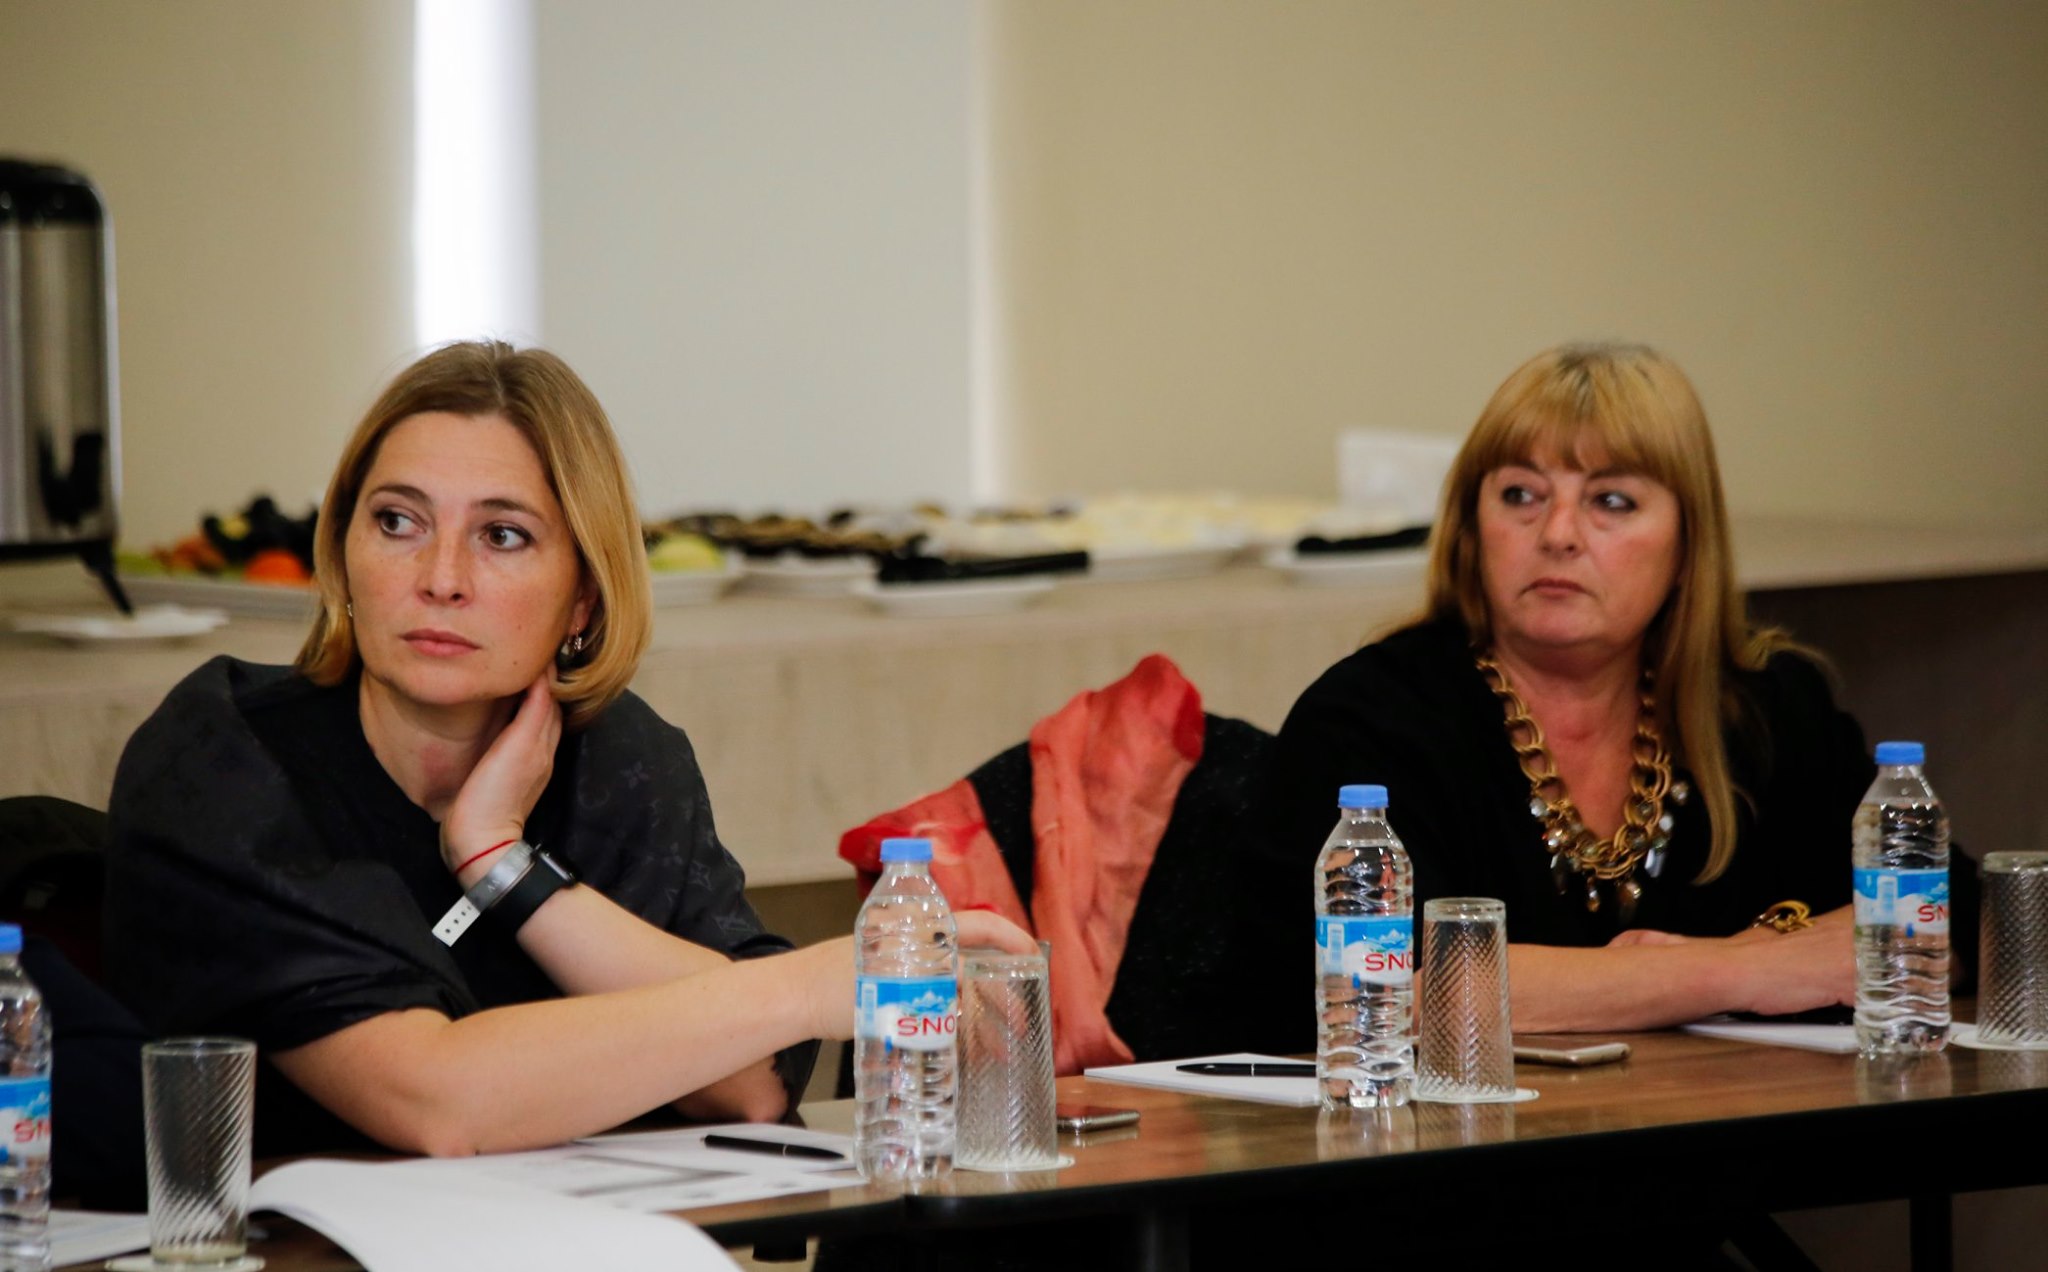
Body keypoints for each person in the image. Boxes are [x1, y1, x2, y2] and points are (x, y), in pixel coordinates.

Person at [104, 340, 1030, 1157]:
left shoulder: (617, 760)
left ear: (583, 597)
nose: (440, 578)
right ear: (342, 553)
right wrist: (810, 988)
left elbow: (746, 1087)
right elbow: (436, 1101)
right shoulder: (228, 757)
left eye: (502, 535)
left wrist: (504, 866)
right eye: (397, 522)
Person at [1255, 341, 1963, 1035]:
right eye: (1521, 495)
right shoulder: (1371, 719)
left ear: (1687, 546)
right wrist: (1748, 969)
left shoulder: (1764, 707)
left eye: (1612, 501)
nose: (1558, 533)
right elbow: (1386, 990)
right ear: (1471, 532)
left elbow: (1954, 911)